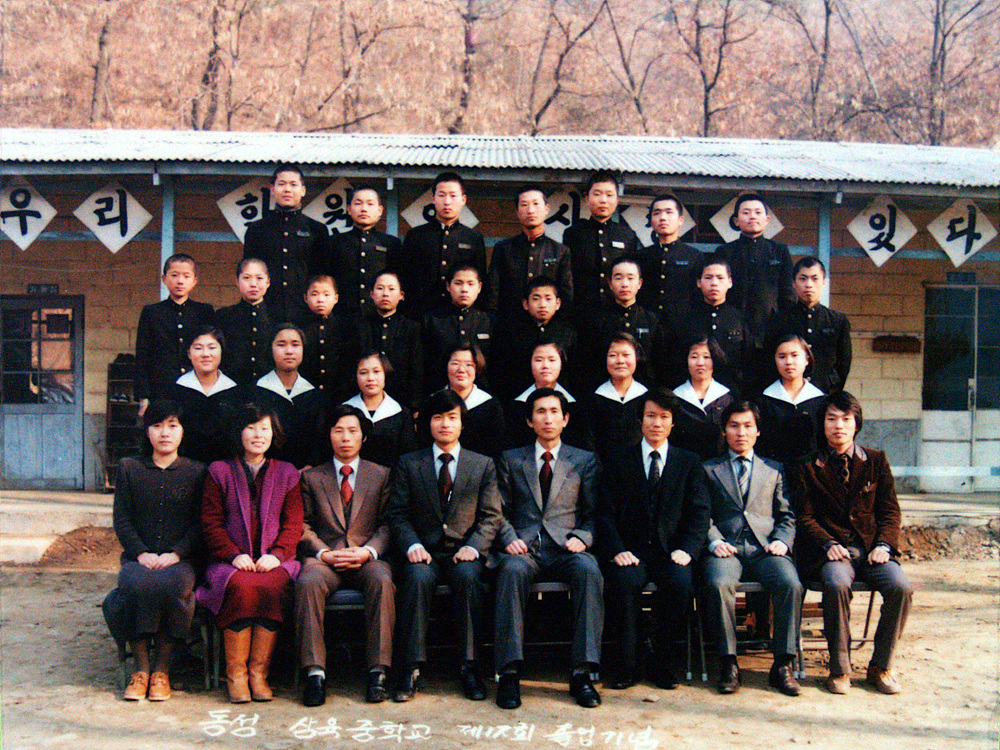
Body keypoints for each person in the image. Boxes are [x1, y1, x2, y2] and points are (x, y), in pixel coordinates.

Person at [791, 392, 913, 695]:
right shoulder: (807, 466)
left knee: (901, 587)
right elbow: (804, 517)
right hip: (831, 553)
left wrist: (884, 545)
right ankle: (840, 668)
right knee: (835, 583)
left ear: (856, 423)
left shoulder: (876, 460)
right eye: (831, 419)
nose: (838, 426)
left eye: (846, 419)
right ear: (822, 424)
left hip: (872, 551)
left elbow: (890, 512)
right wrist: (827, 543)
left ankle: (881, 666)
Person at [387, 389, 502, 703]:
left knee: (468, 578)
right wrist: (411, 544)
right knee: (416, 579)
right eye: (438, 418)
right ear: (428, 424)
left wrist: (475, 547)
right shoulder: (410, 463)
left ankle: (469, 666)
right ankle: (411, 667)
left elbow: (491, 516)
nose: (445, 424)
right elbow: (397, 514)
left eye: (452, 418)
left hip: (464, 551)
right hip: (423, 551)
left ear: (462, 423)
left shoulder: (482, 464)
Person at [493, 388, 604, 709]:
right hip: (525, 548)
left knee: (589, 571)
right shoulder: (511, 459)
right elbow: (497, 510)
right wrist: (509, 537)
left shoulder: (583, 460)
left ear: (566, 419)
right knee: (510, 571)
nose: (548, 418)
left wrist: (583, 536)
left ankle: (583, 673)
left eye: (554, 412)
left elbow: (595, 511)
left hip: (567, 547)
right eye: (540, 412)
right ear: (529, 421)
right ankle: (509, 673)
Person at [597, 389, 710, 690]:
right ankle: (628, 665)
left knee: (679, 583)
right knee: (623, 584)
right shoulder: (619, 460)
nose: (656, 423)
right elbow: (604, 512)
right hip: (631, 552)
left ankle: (663, 663)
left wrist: (688, 550)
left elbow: (700, 512)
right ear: (640, 420)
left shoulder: (689, 462)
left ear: (673, 423)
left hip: (672, 552)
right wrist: (617, 550)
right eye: (650, 416)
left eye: (663, 417)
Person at [196, 404, 304, 703]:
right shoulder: (219, 471)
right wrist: (232, 554)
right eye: (251, 428)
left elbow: (294, 522)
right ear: (239, 432)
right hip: (229, 561)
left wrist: (277, 554)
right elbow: (211, 522)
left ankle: (259, 674)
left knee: (272, 585)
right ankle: (236, 675)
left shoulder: (287, 473)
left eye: (264, 429)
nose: (258, 435)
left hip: (274, 560)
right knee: (241, 586)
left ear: (274, 433)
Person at [104, 401, 206, 702]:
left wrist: (177, 553)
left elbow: (201, 522)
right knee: (136, 585)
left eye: (172, 425)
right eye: (157, 426)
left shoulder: (197, 471)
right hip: (139, 558)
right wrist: (140, 553)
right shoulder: (130, 468)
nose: (165, 433)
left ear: (182, 431)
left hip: (180, 560)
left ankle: (162, 670)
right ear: (146, 431)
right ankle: (141, 669)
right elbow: (122, 519)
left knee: (173, 586)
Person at [701, 400, 803, 697]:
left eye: (748, 426)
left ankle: (783, 664)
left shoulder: (774, 469)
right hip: (726, 548)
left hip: (765, 549)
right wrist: (714, 540)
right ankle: (728, 662)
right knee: (718, 583)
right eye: (734, 426)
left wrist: (782, 540)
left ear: (758, 431)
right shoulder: (709, 469)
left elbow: (787, 514)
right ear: (724, 431)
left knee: (790, 584)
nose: (741, 432)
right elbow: (700, 514)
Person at [296, 405, 396, 706]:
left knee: (382, 580)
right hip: (326, 558)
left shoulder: (381, 474)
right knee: (308, 582)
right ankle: (315, 673)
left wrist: (368, 551)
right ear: (329, 435)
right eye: (338, 431)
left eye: (353, 431)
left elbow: (388, 523)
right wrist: (323, 553)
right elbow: (302, 524)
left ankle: (378, 671)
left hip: (366, 556)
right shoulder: (312, 477)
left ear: (363, 436)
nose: (345, 438)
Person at [243, 162, 333, 324]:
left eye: (293, 184)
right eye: (282, 184)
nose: (287, 189)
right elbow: (249, 272)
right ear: (272, 189)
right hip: (267, 311)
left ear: (303, 190)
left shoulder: (317, 230)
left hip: (305, 313)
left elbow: (322, 275)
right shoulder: (257, 229)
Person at [390, 172, 488, 320]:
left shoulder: (473, 238)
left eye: (453, 196)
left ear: (463, 200)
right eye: (442, 195)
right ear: (434, 199)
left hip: (457, 317)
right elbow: (404, 276)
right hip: (420, 314)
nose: (447, 201)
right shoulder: (416, 235)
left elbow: (480, 278)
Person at [715, 193, 795, 357]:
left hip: (769, 329)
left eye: (758, 212)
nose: (752, 216)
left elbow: (787, 292)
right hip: (732, 328)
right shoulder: (725, 252)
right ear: (736, 220)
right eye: (746, 212)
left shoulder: (779, 251)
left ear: (767, 220)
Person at [134, 253, 214, 415]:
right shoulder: (152, 312)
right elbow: (143, 355)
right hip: (162, 390)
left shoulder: (204, 312)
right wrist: (144, 398)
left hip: (197, 388)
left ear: (194, 280)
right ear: (164, 279)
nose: (180, 281)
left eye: (186, 276)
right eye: (174, 275)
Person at [486, 185, 573, 327]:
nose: (530, 210)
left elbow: (566, 294)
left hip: (548, 327)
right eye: (524, 205)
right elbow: (493, 291)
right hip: (510, 326)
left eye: (536, 204)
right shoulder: (503, 248)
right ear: (517, 212)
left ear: (547, 209)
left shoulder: (560, 251)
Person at [764, 256, 852, 394]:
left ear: (824, 282)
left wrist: (831, 385)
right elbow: (768, 357)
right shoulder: (779, 320)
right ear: (793, 283)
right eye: (803, 279)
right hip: (787, 392)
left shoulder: (837, 320)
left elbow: (844, 362)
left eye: (815, 278)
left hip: (824, 392)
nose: (809, 284)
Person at [563, 171, 639, 319]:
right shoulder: (573, 234)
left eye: (609, 195)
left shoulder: (627, 235)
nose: (603, 200)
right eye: (597, 194)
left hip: (617, 315)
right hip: (582, 314)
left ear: (617, 199)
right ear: (587, 198)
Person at [589, 256, 668, 387]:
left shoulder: (652, 320)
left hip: (645, 388)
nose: (624, 284)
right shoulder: (598, 320)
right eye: (618, 278)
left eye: (630, 278)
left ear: (640, 283)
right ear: (610, 284)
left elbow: (660, 362)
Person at [254, 325, 325, 469]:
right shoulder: (256, 391)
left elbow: (319, 442)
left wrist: (309, 467)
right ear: (271, 349)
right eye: (281, 344)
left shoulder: (313, 395)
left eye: (295, 344)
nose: (289, 351)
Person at [499, 276, 578, 400]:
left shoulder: (567, 332)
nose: (542, 305)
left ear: (558, 303)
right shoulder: (513, 332)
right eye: (536, 299)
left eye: (548, 299)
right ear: (525, 304)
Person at [171, 325, 240, 466]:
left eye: (212, 347)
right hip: (184, 467)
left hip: (225, 469)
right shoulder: (175, 390)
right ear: (189, 353)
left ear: (221, 351)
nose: (206, 354)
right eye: (198, 348)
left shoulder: (235, 392)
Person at [506, 341, 593, 452]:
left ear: (561, 364)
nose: (545, 366)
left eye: (552, 360)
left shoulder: (576, 406)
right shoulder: (517, 406)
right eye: (539, 360)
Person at [422, 263, 495, 394]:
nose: (464, 289)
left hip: (481, 393)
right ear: (448, 286)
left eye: (470, 284)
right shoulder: (432, 320)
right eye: (458, 283)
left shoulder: (489, 321)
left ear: (479, 287)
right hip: (440, 392)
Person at [679, 255, 748, 391]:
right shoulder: (686, 319)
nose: (714, 283)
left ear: (730, 282)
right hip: (693, 391)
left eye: (720, 278)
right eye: (708, 278)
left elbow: (748, 361)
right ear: (699, 282)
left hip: (732, 390)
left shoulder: (740, 319)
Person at [756, 334, 826, 468]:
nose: (788, 362)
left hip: (812, 473)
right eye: (782, 357)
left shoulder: (822, 401)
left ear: (807, 359)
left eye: (794, 355)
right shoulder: (762, 401)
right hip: (772, 472)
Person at [332, 185, 403, 316]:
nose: (364, 209)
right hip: (343, 316)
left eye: (370, 204)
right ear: (349, 209)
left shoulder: (392, 244)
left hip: (378, 317)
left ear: (380, 210)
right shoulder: (334, 242)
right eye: (358, 203)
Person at [360, 271, 424, 412]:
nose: (385, 294)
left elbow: (416, 369)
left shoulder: (412, 328)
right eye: (380, 288)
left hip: (401, 401)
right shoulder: (361, 327)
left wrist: (414, 406)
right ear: (371, 294)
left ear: (401, 295)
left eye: (391, 289)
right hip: (366, 401)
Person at [430, 345, 505, 461]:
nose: (461, 369)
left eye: (469, 365)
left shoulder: (490, 405)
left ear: (477, 368)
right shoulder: (432, 402)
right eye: (455, 363)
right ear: (446, 366)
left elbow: (496, 450)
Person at [343, 352, 417, 469]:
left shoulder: (401, 413)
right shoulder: (345, 411)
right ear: (355, 376)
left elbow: (408, 457)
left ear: (385, 374)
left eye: (376, 371)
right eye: (363, 373)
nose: (370, 378)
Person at [639, 194, 702, 331]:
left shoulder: (694, 256)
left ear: (680, 220)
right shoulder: (641, 256)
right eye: (657, 213)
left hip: (682, 328)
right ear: (651, 220)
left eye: (669, 212)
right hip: (647, 326)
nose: (663, 218)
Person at [670, 336, 733, 461]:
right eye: (694, 357)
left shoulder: (727, 398)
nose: (700, 363)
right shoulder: (675, 398)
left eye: (706, 357)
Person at [589, 333, 648, 465]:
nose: (620, 361)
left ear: (637, 358)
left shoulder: (646, 398)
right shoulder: (595, 398)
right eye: (613, 355)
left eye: (626, 355)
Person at [300, 274, 359, 401]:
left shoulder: (344, 328)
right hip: (308, 393)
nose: (320, 300)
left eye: (326, 295)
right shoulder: (300, 328)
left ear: (336, 298)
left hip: (338, 394)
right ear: (305, 298)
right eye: (314, 294)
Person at [216, 258, 274, 388]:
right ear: (237, 281)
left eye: (259, 278)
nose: (253, 284)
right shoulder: (224, 316)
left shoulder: (276, 317)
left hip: (269, 387)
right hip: (233, 386)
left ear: (268, 282)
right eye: (246, 278)